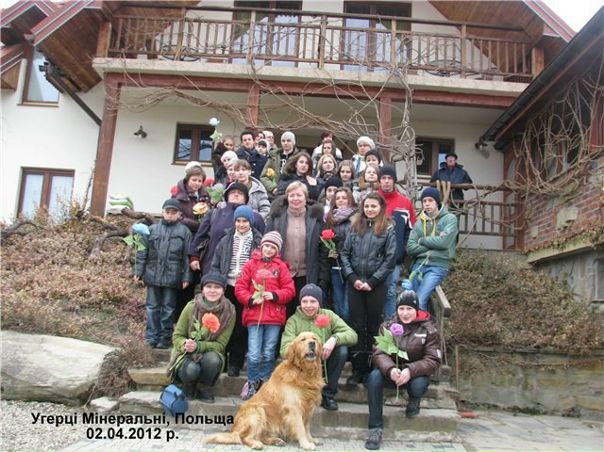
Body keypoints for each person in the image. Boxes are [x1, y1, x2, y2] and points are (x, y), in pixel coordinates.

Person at [364, 290, 441, 450]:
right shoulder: (387, 326)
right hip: (392, 372)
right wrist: (390, 369)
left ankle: (414, 400)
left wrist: (410, 370)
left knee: (418, 386)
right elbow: (379, 352)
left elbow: (432, 359)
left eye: (409, 309)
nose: (405, 313)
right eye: (401, 309)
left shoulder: (429, 329)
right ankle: (375, 428)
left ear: (416, 309)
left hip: (415, 374)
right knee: (373, 378)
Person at [341, 192, 396, 385]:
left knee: (374, 325)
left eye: (374, 206)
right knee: (357, 326)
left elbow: (390, 259)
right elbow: (345, 254)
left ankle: (373, 368)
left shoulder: (388, 229)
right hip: (355, 284)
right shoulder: (355, 226)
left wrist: (372, 281)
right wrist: (352, 278)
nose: (370, 209)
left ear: (381, 208)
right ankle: (358, 369)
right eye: (367, 206)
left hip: (376, 285)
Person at [234, 231, 296, 400]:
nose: (269, 250)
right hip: (255, 316)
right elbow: (240, 287)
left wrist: (275, 295)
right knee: (254, 353)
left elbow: (290, 290)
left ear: (277, 250)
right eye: (266, 246)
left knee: (269, 352)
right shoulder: (251, 265)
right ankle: (252, 382)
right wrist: (251, 299)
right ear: (261, 246)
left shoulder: (281, 267)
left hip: (274, 317)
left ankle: (265, 381)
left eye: (272, 247)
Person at [280, 283, 358, 411]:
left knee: (342, 351)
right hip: (303, 366)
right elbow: (284, 350)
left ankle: (328, 394)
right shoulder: (293, 321)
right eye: (305, 301)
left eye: (313, 301)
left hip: (324, 360)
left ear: (319, 303)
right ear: (300, 303)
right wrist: (301, 347)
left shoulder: (328, 315)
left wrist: (334, 339)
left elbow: (352, 335)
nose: (308, 305)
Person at [211, 205, 263, 377]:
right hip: (228, 286)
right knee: (224, 323)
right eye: (238, 221)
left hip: (246, 288)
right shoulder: (226, 240)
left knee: (241, 326)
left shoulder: (258, 241)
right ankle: (221, 360)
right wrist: (218, 283)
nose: (241, 224)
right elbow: (216, 263)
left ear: (250, 222)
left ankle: (235, 362)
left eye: (245, 221)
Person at [167, 272, 236, 403]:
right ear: (202, 289)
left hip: (210, 352)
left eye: (217, 287)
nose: (212, 290)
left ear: (223, 290)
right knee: (192, 369)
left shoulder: (229, 312)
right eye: (208, 286)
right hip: (187, 352)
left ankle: (204, 387)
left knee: (213, 360)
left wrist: (198, 346)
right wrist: (185, 344)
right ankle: (188, 385)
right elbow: (177, 336)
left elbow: (221, 344)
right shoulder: (191, 307)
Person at [134, 199, 192, 349]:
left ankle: (165, 337)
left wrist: (186, 276)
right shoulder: (151, 230)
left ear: (179, 214)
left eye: (173, 212)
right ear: (162, 212)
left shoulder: (184, 232)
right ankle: (151, 337)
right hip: (152, 274)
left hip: (173, 276)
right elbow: (142, 252)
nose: (170, 215)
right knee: (152, 307)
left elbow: (187, 256)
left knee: (169, 308)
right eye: (167, 212)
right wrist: (138, 271)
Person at [266, 181, 326, 317]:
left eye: (299, 195)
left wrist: (323, 277)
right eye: (292, 195)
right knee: (283, 313)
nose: (295, 199)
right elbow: (266, 245)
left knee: (304, 313)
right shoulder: (277, 217)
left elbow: (323, 249)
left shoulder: (315, 218)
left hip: (307, 274)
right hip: (282, 275)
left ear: (306, 197)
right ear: (287, 197)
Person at [189, 182, 264, 277]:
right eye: (232, 192)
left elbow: (261, 242)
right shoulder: (214, 214)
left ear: (246, 198)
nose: (236, 195)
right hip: (213, 266)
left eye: (240, 193)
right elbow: (201, 236)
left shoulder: (256, 217)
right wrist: (194, 256)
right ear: (227, 196)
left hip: (244, 270)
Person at [406, 187, 458, 312]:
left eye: (430, 200)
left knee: (420, 300)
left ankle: (423, 324)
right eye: (424, 201)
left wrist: (422, 240)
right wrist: (434, 243)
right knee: (410, 301)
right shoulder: (419, 222)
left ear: (437, 202)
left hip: (437, 266)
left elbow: (444, 242)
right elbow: (410, 248)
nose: (427, 204)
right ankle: (417, 323)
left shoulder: (449, 219)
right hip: (418, 265)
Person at [377, 165, 416, 319]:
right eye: (383, 178)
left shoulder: (405, 203)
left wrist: (403, 249)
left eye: (389, 178)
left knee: (391, 290)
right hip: (373, 256)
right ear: (379, 180)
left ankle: (390, 325)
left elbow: (411, 230)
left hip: (395, 257)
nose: (386, 181)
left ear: (394, 180)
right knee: (375, 291)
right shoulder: (372, 200)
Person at [322, 187, 356, 322]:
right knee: (338, 305)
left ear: (350, 200)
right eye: (338, 198)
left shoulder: (356, 218)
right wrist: (329, 251)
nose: (341, 200)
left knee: (348, 308)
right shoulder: (329, 219)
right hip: (336, 267)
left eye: (344, 198)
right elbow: (323, 242)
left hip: (352, 268)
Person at [170, 163, 211, 234]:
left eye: (200, 181)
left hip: (201, 234)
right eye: (194, 180)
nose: (197, 183)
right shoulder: (178, 196)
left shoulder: (205, 196)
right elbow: (177, 217)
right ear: (187, 180)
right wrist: (197, 224)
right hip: (183, 233)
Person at [260, 131, 300, 196]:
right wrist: (273, 188)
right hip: (273, 194)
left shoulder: (298, 157)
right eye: (283, 141)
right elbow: (264, 176)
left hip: (291, 193)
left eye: (288, 141)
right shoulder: (273, 156)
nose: (285, 143)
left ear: (293, 142)